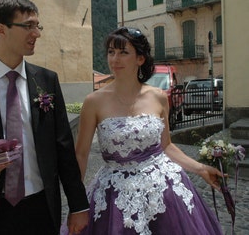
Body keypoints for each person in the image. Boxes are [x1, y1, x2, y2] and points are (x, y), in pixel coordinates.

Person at [61, 27, 224, 234]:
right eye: (111, 52)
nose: (115, 59)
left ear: (140, 59)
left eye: (123, 53)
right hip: (115, 195)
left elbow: (167, 146)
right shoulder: (94, 101)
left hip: (163, 191)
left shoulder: (158, 97)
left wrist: (200, 169)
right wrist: (77, 205)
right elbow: (81, 154)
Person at [0, 0, 89, 235]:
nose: (37, 33)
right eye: (28, 26)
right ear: (1, 30)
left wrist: (78, 205)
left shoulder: (47, 80)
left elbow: (63, 148)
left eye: (38, 26)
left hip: (40, 209)